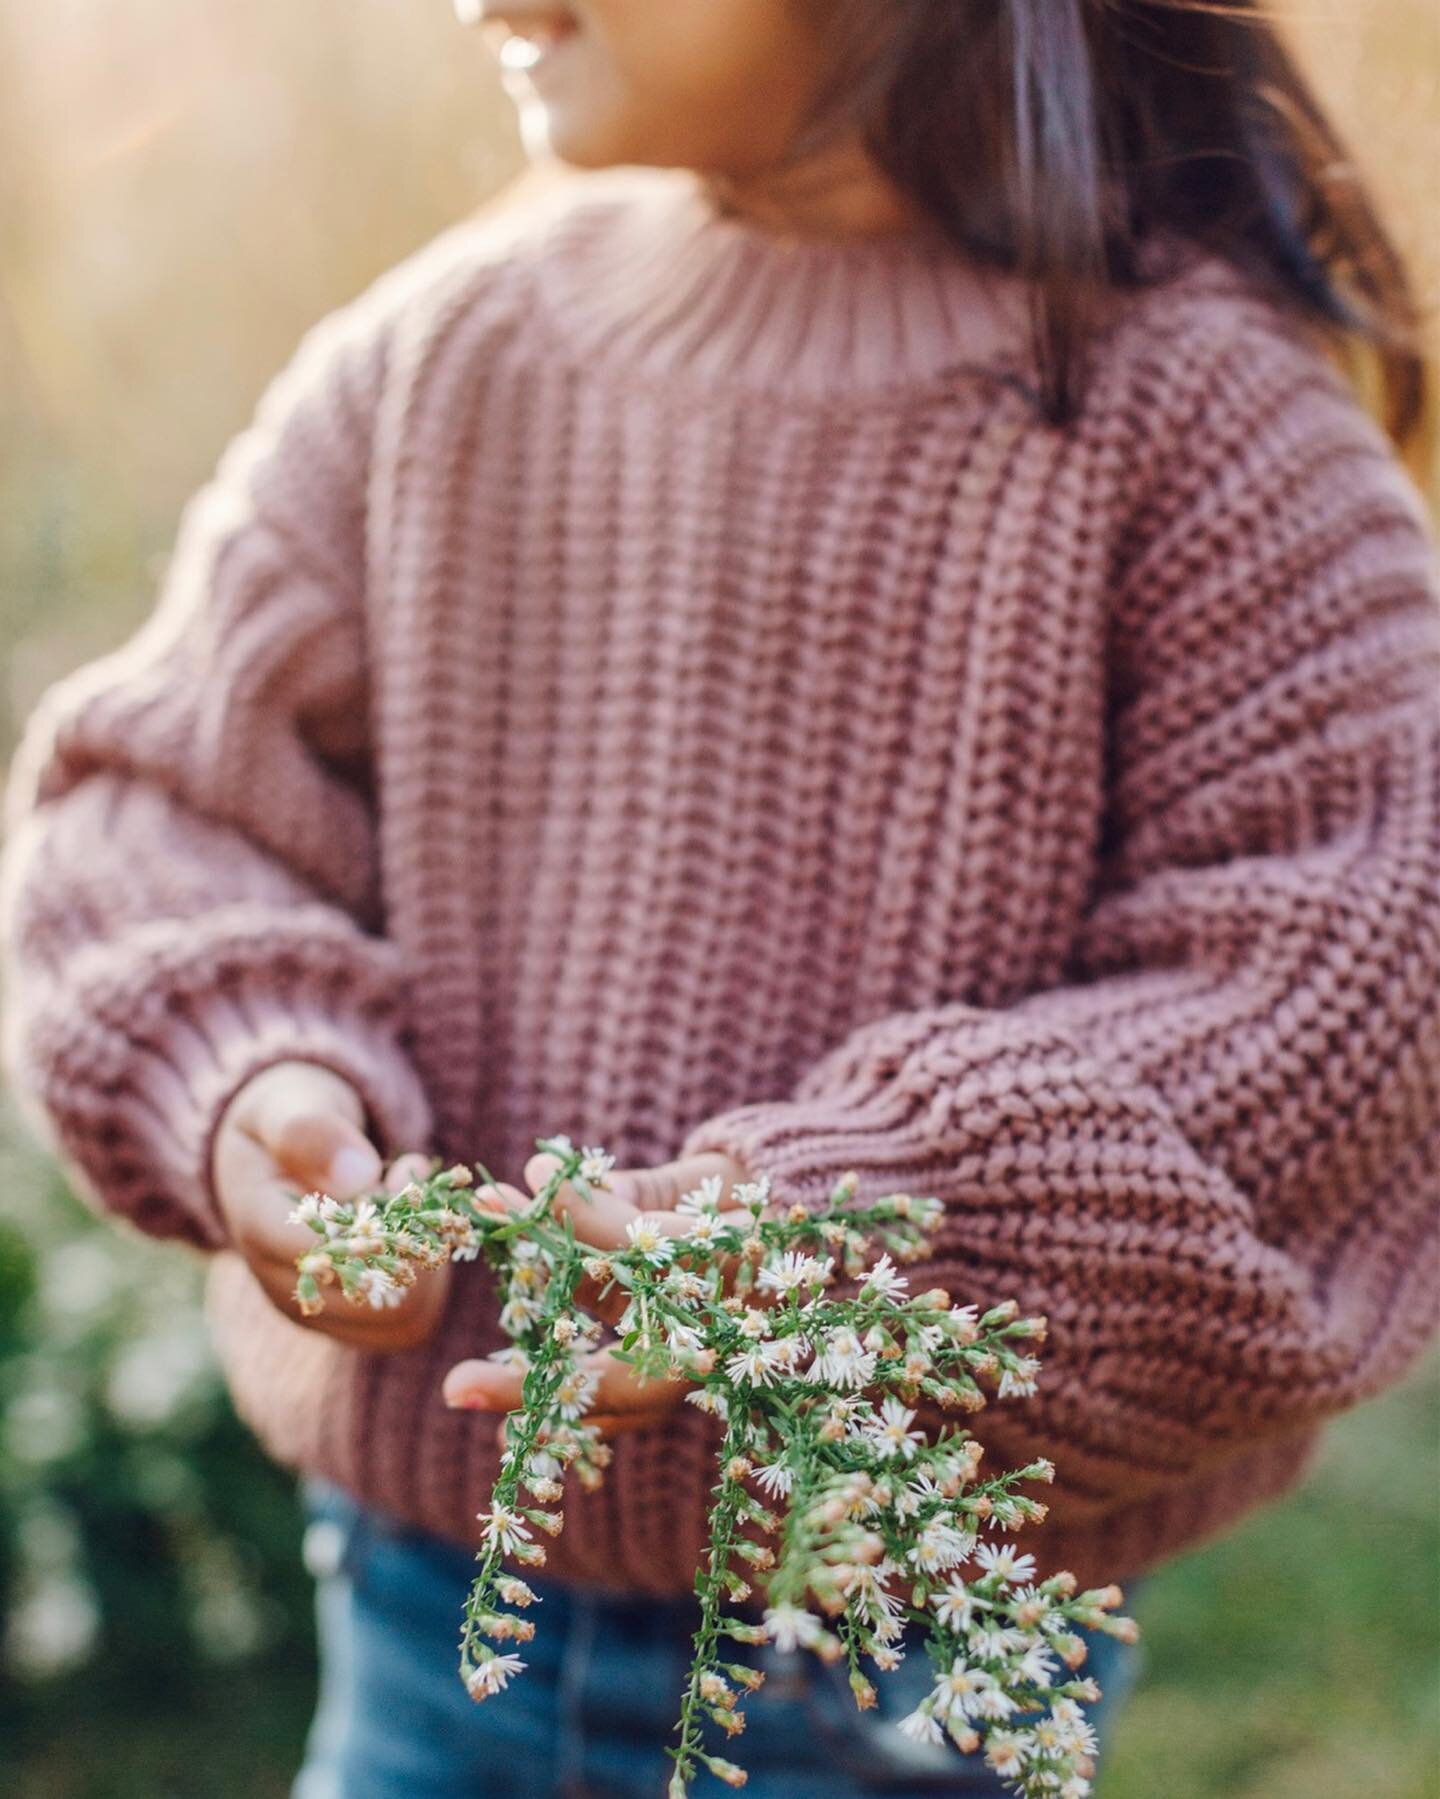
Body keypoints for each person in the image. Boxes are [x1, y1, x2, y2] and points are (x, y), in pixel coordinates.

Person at [2, 1, 1437, 1794]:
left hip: (891, 1630)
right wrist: (245, 1068)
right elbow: (161, 797)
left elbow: (1331, 988)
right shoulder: (453, 350)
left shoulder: (1195, 412)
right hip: (427, 1601)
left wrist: (844, 1233)